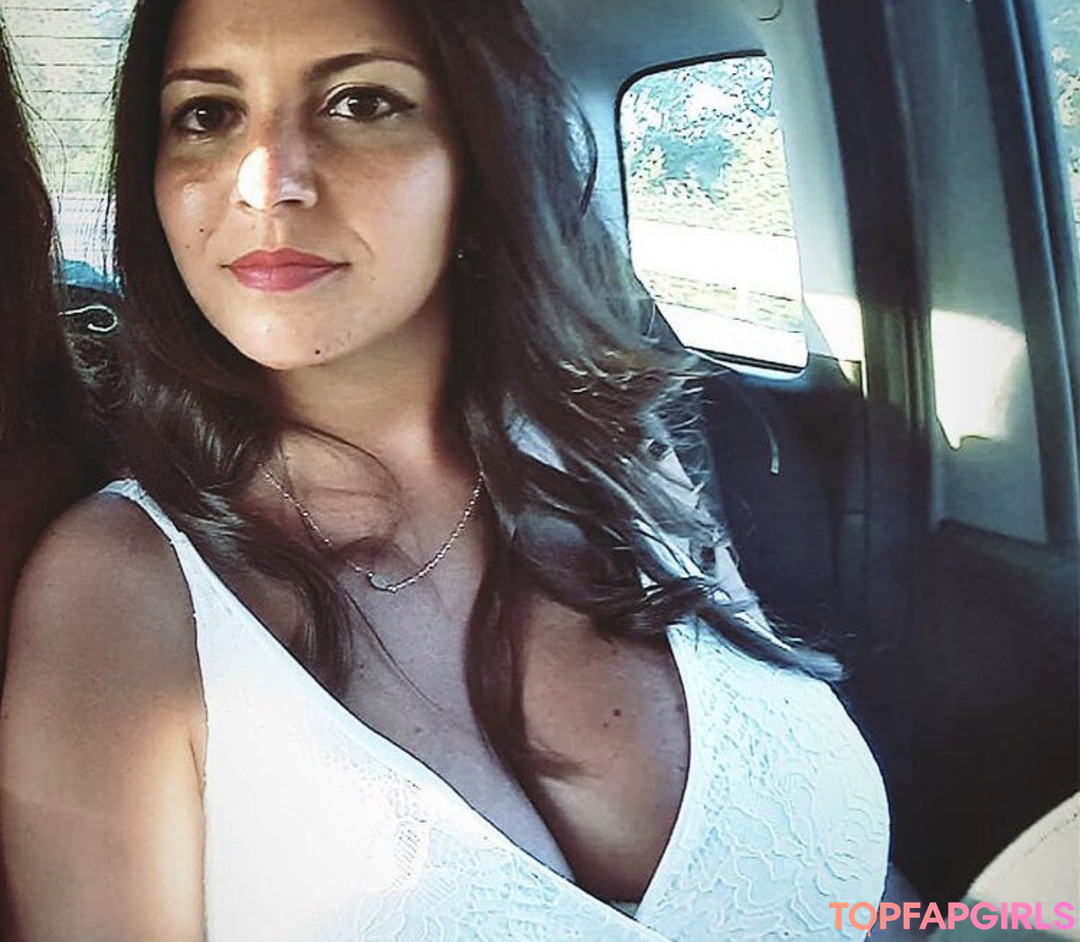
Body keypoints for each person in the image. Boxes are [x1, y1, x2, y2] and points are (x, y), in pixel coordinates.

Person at [0, 0, 890, 938]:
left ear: (484, 154)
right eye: (207, 114)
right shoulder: (115, 586)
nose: (266, 183)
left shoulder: (630, 458)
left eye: (361, 103)